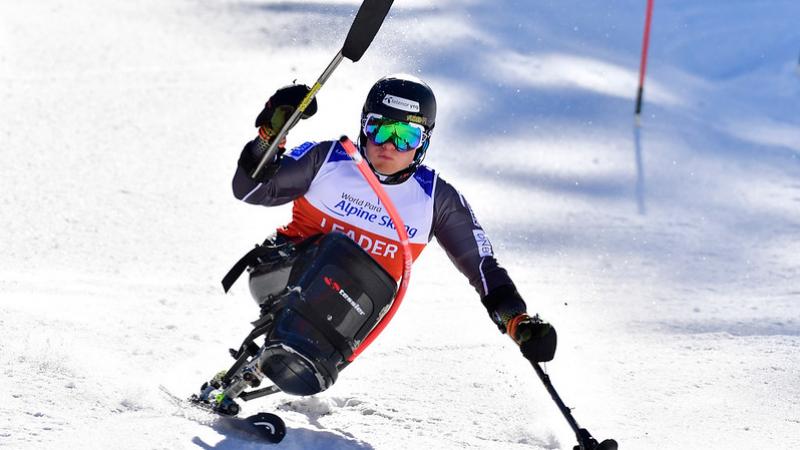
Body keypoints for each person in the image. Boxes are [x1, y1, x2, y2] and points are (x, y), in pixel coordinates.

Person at [201, 74, 557, 409]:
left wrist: (518, 322)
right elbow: (250, 190)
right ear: (363, 127)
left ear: (424, 143)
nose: (388, 145)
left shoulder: (436, 200)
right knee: (339, 252)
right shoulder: (328, 159)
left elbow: (483, 269)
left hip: (347, 313)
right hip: (279, 275)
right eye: (378, 129)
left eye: (405, 136)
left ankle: (268, 369)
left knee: (372, 279)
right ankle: (269, 355)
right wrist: (270, 136)